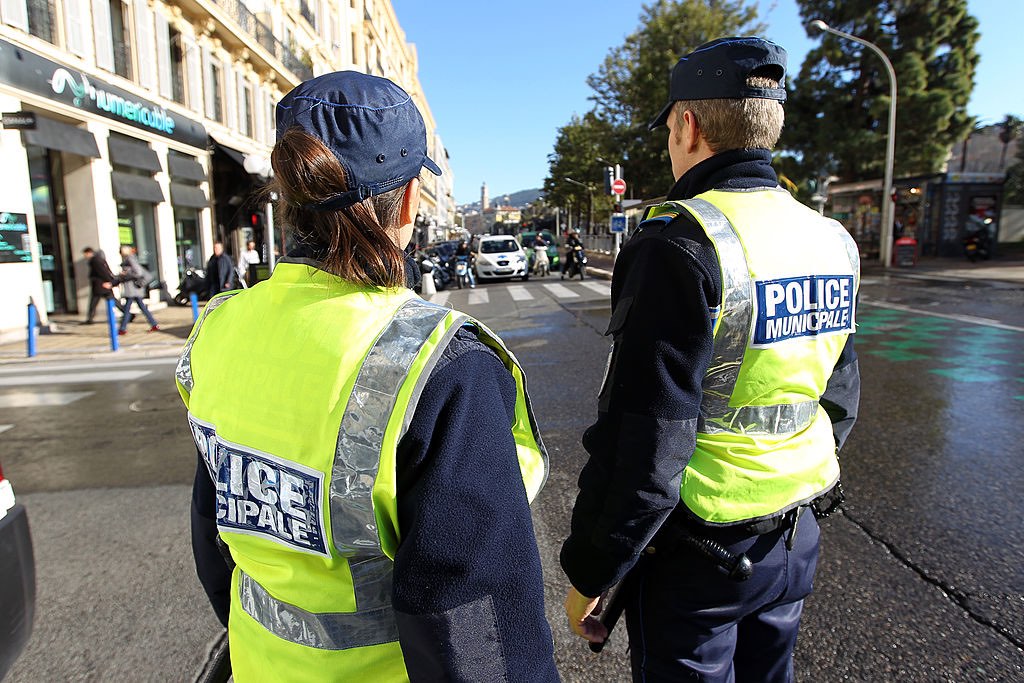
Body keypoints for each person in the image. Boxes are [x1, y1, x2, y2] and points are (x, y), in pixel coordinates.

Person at [177, 71, 558, 682]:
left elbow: (212, 527)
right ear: (408, 202)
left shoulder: (219, 328)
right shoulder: (440, 364)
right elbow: (476, 623)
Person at [560, 36, 861, 682]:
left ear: (689, 126)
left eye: (670, 129)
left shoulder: (680, 241)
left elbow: (645, 442)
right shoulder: (832, 239)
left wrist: (592, 569)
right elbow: (839, 397)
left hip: (700, 554)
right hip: (794, 538)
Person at [116, 245, 159, 334]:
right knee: (142, 308)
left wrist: (125, 275)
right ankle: (154, 324)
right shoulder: (131, 259)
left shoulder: (130, 259)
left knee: (127, 309)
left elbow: (138, 272)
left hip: (132, 289)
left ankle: (122, 329)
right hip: (135, 289)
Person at [81, 247, 124, 324]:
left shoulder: (95, 261)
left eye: (85, 254)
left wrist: (110, 282)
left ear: (89, 253)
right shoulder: (99, 260)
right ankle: (127, 313)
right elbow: (106, 271)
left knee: (95, 302)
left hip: (101, 285)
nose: (85, 256)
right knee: (112, 300)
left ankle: (90, 318)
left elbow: (102, 272)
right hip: (102, 285)